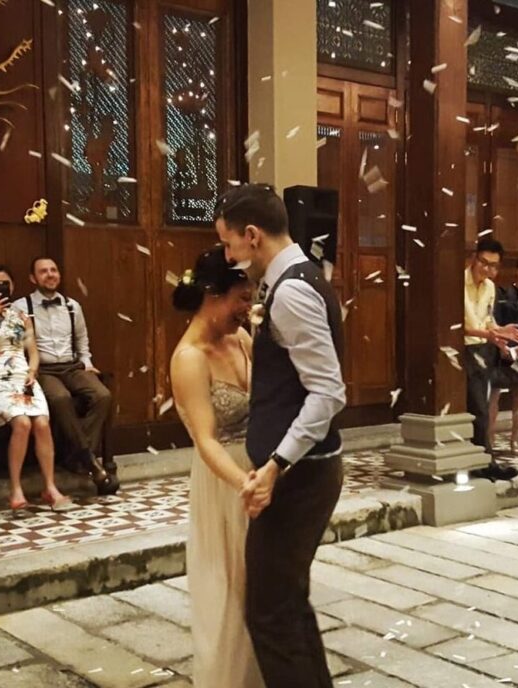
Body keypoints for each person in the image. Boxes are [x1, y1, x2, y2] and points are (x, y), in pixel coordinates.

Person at [215, 183, 346, 688]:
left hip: (300, 477)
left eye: (229, 244)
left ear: (252, 235)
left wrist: (275, 466)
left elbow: (328, 393)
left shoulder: (290, 289)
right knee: (286, 605)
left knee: (269, 613)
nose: (228, 256)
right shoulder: (293, 277)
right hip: (301, 473)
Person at [170, 246, 263, 688]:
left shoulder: (242, 338)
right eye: (241, 298)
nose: (247, 307)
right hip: (223, 479)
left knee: (259, 590)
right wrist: (244, 483)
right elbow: (205, 438)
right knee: (226, 593)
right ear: (211, 294)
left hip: (258, 469)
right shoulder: (189, 358)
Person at [0, 265, 71, 512]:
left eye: (5, 282)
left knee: (42, 423)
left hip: (22, 373)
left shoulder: (22, 316)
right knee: (23, 423)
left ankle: (50, 487)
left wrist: (32, 372)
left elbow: (33, 351)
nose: (0, 287)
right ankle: (15, 489)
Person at [12, 257, 115, 495]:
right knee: (60, 399)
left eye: (54, 270)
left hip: (72, 366)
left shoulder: (72, 306)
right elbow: (15, 344)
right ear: (32, 278)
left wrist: (88, 364)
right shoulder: (21, 307)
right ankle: (89, 460)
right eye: (43, 271)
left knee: (103, 395)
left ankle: (78, 456)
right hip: (42, 369)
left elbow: (82, 341)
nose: (50, 275)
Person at [464, 238, 518, 480]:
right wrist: (491, 334)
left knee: (483, 407)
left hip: (484, 350)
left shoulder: (491, 287)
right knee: (477, 409)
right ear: (474, 257)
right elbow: (457, 326)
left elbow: (489, 320)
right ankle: (481, 462)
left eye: (494, 265)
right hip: (463, 351)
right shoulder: (458, 282)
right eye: (484, 262)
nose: (488, 269)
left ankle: (483, 461)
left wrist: (501, 334)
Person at [488, 252, 518, 453]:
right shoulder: (502, 292)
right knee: (494, 394)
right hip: (500, 350)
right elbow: (495, 320)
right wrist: (503, 346)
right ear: (517, 268)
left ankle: (515, 440)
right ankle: (489, 440)